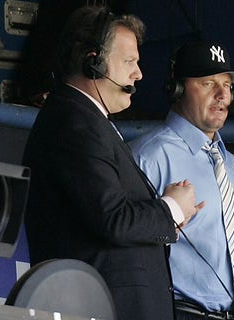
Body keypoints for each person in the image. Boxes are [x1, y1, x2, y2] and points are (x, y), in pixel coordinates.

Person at [22, 6, 203, 320]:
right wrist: (171, 208)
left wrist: (170, 211)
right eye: (129, 62)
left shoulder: (87, 121)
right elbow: (113, 219)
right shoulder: (74, 123)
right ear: (94, 63)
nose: (139, 74)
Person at [129, 40, 234, 320]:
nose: (223, 95)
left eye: (228, 85)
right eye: (209, 83)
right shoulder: (149, 157)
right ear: (177, 90)